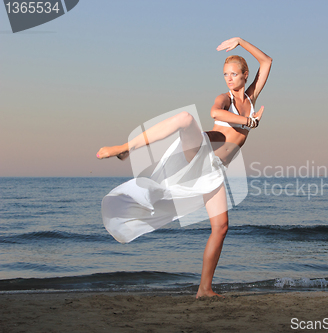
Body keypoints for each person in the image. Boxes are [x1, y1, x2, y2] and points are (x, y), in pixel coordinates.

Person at [96, 37, 272, 298]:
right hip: (200, 151)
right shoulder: (225, 99)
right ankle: (123, 147)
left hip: (214, 170)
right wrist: (249, 122)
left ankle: (204, 289)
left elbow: (267, 61)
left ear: (246, 75)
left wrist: (240, 41)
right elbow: (215, 114)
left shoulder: (251, 97)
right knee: (185, 118)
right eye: (225, 74)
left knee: (221, 227)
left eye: (234, 74)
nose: (229, 78)